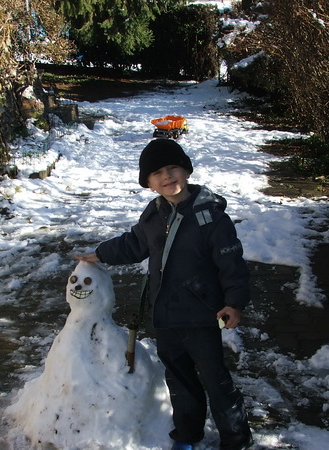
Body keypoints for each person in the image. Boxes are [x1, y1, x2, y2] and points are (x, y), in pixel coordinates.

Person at [76, 138, 253, 450]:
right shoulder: (154, 214)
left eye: (173, 168)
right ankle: (187, 433)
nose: (167, 176)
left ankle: (236, 439)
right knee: (180, 380)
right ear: (149, 183)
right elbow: (134, 244)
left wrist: (234, 302)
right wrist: (100, 254)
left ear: (185, 170)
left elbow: (231, 262)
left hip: (202, 316)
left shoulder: (210, 217)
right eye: (157, 173)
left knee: (216, 381)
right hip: (166, 316)